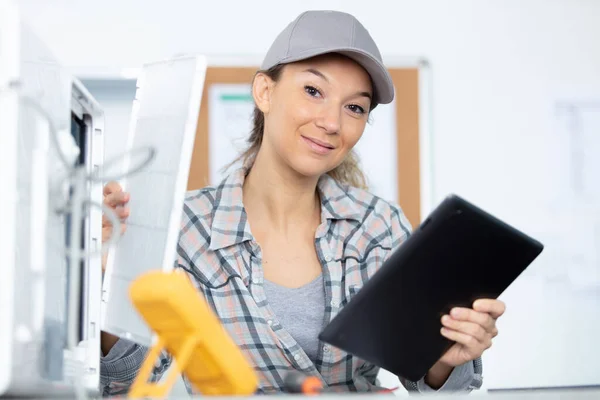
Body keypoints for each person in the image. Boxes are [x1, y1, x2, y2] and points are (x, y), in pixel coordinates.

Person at [100, 10, 505, 396]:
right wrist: (106, 280)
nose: (332, 122)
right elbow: (123, 385)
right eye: (313, 91)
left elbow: (432, 384)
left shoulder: (379, 228)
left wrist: (445, 360)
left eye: (354, 107)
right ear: (265, 91)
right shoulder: (185, 230)